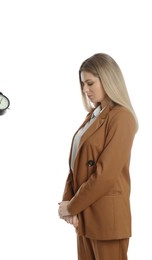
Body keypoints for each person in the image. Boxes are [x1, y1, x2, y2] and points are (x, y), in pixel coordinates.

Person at [58, 53, 138, 260]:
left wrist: (72, 206)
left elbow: (105, 174)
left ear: (108, 79)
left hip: (107, 220)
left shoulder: (122, 117)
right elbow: (76, 165)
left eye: (90, 83)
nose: (85, 90)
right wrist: (67, 202)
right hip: (86, 217)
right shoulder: (93, 116)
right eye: (83, 84)